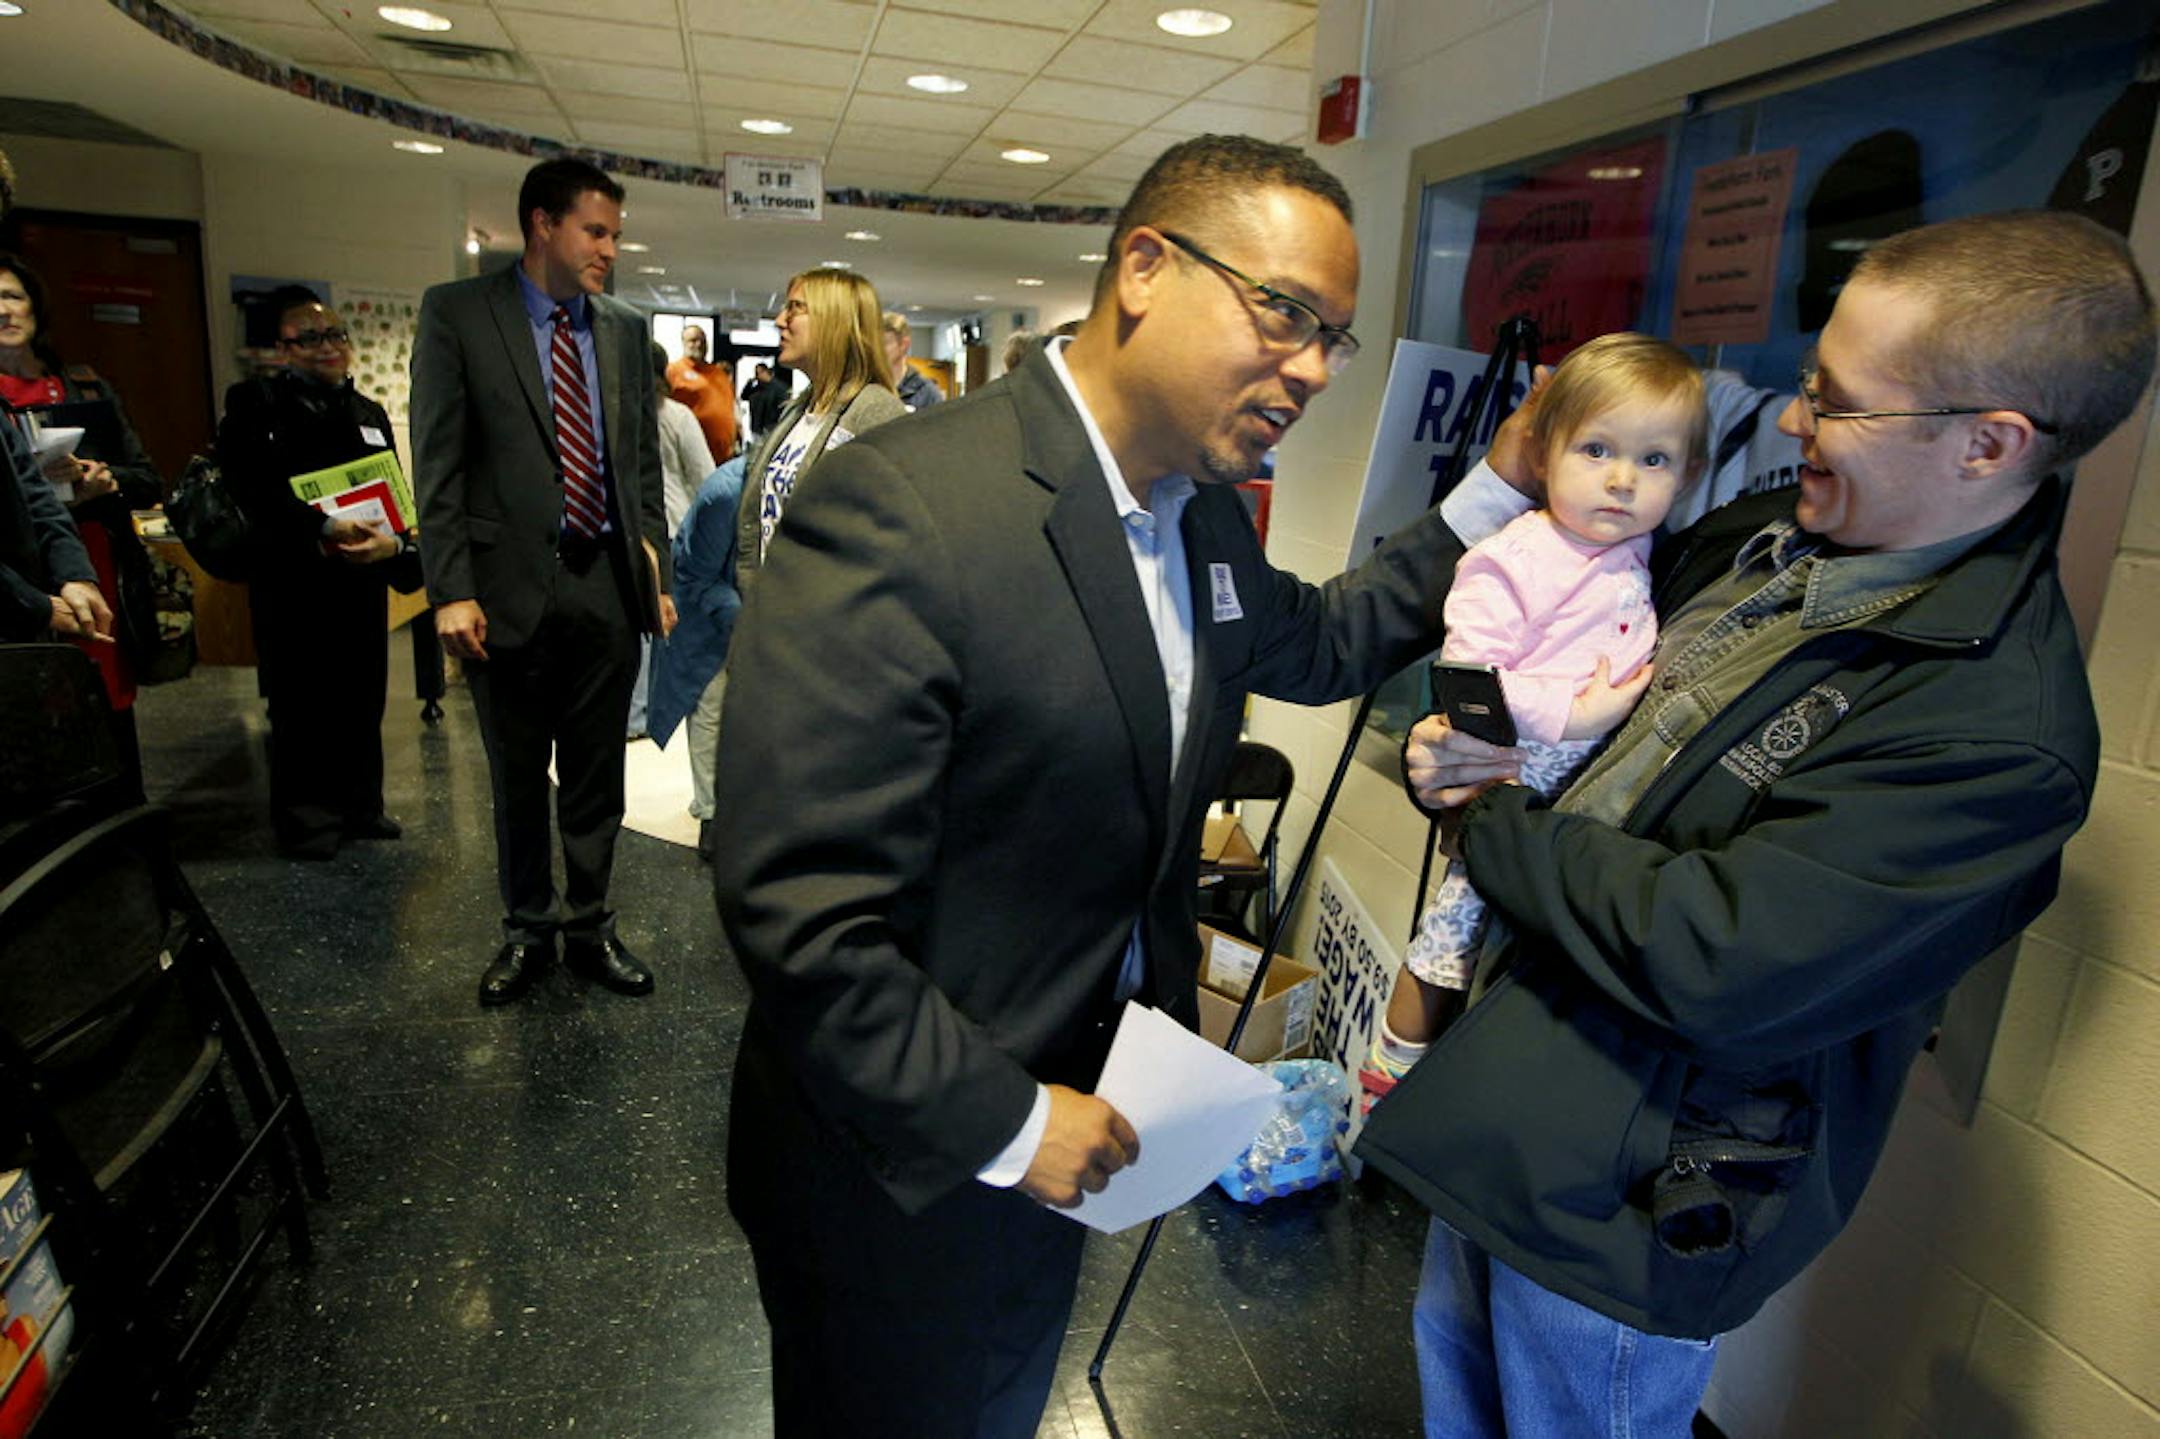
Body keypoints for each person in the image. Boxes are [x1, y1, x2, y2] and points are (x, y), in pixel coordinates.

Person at [713, 133, 1474, 1437]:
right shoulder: (908, 508)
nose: (1307, 368)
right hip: (907, 1161)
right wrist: (1008, 1123)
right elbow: (804, 912)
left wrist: (1512, 495)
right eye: (1283, 312)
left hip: (1082, 1116)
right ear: (1144, 266)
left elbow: (1332, 637)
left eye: (1332, 339)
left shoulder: (1204, 517)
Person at [1356, 209, 2157, 1438]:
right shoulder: (1760, 545)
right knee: (1454, 1388)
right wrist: (1464, 742)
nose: (1793, 421)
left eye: (1837, 403)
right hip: (1510, 1101)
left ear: (1990, 444)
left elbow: (1716, 951)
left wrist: (1494, 823)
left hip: (1629, 1199)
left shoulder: (1994, 731)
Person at [1373, 335, 1703, 1083]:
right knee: (1449, 939)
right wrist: (1571, 715)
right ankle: (1383, 1082)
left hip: (1591, 802)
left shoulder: (1644, 546)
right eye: (1595, 449)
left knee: (1517, 963)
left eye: (1653, 460)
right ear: (1545, 452)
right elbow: (1466, 675)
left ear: (1688, 476)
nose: (1621, 479)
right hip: (1522, 772)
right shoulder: (1516, 555)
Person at [411, 157, 675, 1007]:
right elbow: (440, 461)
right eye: (596, 231)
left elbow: (638, 467)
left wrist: (654, 570)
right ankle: (528, 931)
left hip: (605, 584)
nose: (609, 250)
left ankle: (591, 925)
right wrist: (448, 587)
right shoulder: (460, 314)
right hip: (503, 590)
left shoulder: (625, 329)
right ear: (542, 225)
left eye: (615, 235)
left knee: (599, 776)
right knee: (519, 777)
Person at [219, 289, 417, 859]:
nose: (327, 347)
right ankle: (308, 821)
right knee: (301, 702)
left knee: (361, 695)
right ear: (282, 349)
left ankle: (362, 808)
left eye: (335, 336)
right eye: (309, 338)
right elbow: (251, 490)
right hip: (292, 581)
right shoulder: (255, 406)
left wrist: (392, 540)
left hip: (358, 581)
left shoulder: (367, 414)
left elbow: (392, 493)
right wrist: (323, 529)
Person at [0, 252, 161, 795]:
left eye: (12, 296)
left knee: (109, 702)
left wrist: (100, 478)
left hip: (90, 558)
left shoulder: (84, 386)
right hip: (22, 581)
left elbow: (145, 477)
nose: (3, 311)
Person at [733, 266, 906, 595]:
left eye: (795, 308)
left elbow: (889, 542)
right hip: (772, 615)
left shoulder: (875, 413)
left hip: (826, 628)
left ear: (834, 320)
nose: (780, 320)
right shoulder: (801, 408)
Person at [644, 455, 744, 863]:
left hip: (750, 608)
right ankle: (711, 815)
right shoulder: (725, 494)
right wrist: (751, 615)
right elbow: (698, 577)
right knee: (709, 706)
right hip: (705, 613)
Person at [631, 341, 715, 740]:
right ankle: (658, 710)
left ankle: (636, 713)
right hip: (676, 532)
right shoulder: (677, 416)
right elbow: (705, 478)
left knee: (642, 629)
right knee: (669, 625)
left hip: (633, 536)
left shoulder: (618, 416)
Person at [666, 322, 737, 463]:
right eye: (693, 340)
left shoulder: (719, 373)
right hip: (691, 456)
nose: (699, 344)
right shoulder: (673, 371)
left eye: (703, 341)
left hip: (724, 457)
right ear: (683, 343)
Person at [881, 309, 944, 411]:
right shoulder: (867, 388)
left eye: (884, 343)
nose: (878, 350)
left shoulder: (927, 394)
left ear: (904, 345)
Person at [741, 361, 787, 442]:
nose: (758, 376)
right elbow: (744, 396)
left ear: (766, 372)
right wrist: (749, 383)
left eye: (760, 373)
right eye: (756, 373)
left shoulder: (778, 388)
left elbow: (783, 406)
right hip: (757, 428)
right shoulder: (756, 389)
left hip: (771, 427)